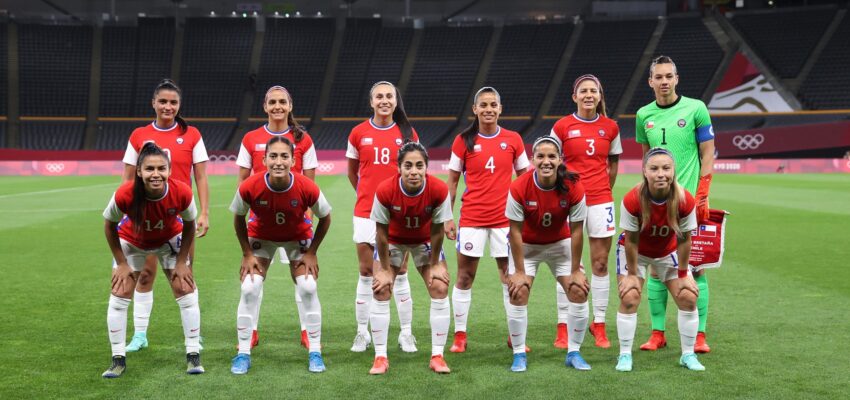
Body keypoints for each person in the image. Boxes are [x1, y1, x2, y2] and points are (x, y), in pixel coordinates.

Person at [229, 136, 332, 374]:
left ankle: (315, 351)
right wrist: (246, 253)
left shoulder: (306, 186)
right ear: (264, 160)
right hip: (261, 237)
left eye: (284, 156)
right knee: (249, 287)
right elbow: (238, 217)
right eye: (273, 156)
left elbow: (326, 217)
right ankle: (243, 353)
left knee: (308, 287)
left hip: (297, 238)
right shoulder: (249, 186)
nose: (278, 161)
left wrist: (312, 252)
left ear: (293, 160)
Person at [121, 79, 210, 353]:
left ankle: (194, 335)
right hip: (145, 216)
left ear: (179, 105)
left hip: (180, 217)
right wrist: (128, 215)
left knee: (184, 274)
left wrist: (204, 212)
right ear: (154, 103)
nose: (168, 106)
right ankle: (140, 335)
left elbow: (202, 176)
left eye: (173, 102)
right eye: (163, 101)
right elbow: (127, 178)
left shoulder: (192, 134)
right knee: (144, 274)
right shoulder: (139, 135)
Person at [635, 56, 715, 353]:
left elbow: (708, 153)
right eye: (659, 76)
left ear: (677, 79)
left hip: (689, 202)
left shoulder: (696, 108)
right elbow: (646, 161)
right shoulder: (644, 115)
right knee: (657, 267)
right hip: (655, 204)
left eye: (669, 76)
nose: (665, 81)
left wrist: (703, 193)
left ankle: (699, 335)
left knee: (696, 266)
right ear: (651, 81)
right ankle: (658, 333)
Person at [102, 143, 202, 378]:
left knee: (184, 288)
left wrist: (181, 261)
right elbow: (109, 225)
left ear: (169, 170)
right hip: (132, 242)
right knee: (120, 292)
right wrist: (122, 263)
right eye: (149, 169)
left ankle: (193, 353)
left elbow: (189, 225)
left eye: (161, 169)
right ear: (139, 171)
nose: (155, 174)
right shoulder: (125, 194)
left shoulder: (182, 192)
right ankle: (117, 358)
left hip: (169, 239)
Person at [444, 87, 529, 353]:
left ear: (500, 109)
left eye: (493, 104)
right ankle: (460, 335)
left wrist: (528, 216)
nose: (489, 109)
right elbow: (453, 180)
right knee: (465, 277)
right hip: (472, 219)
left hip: (505, 222)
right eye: (484, 105)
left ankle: (515, 336)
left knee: (509, 276)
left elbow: (526, 179)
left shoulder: (514, 139)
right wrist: (448, 216)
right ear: (475, 109)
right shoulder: (463, 140)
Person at [235, 85, 319, 349]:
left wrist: (306, 219)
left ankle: (307, 330)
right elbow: (243, 181)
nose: (277, 107)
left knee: (302, 279)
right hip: (262, 221)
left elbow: (310, 183)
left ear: (290, 106)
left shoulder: (303, 139)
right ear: (265, 106)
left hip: (295, 221)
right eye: (273, 102)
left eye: (282, 102)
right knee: (254, 278)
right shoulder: (251, 138)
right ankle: (252, 330)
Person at [614, 147, 705, 372]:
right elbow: (631, 241)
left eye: (666, 168)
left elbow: (684, 239)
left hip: (668, 251)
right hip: (636, 252)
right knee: (630, 296)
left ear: (673, 171)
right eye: (654, 169)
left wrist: (684, 274)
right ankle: (624, 355)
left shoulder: (685, 199)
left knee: (688, 296)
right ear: (644, 171)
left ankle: (688, 354)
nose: (661, 174)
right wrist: (632, 275)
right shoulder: (632, 199)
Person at [504, 136, 590, 372]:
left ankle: (574, 352)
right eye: (540, 156)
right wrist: (520, 271)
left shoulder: (573, 186)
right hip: (527, 247)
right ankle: (519, 354)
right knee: (518, 291)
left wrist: (575, 271)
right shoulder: (519, 186)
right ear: (532, 159)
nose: (546, 161)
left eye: (552, 156)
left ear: (560, 159)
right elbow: (515, 232)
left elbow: (577, 231)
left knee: (578, 290)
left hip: (559, 245)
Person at [346, 81, 420, 353]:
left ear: (396, 101)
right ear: (371, 101)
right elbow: (353, 173)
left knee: (400, 272)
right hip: (366, 212)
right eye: (379, 96)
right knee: (367, 272)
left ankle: (406, 333)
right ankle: (362, 333)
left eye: (389, 96)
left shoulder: (408, 132)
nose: (385, 100)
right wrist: (369, 197)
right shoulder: (358, 132)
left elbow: (415, 172)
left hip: (399, 213)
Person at [368, 142, 453, 374]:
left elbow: (437, 230)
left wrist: (435, 264)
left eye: (419, 166)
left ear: (427, 167)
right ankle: (380, 357)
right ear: (399, 168)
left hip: (424, 240)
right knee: (381, 289)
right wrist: (385, 269)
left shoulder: (438, 190)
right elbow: (381, 233)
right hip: (393, 240)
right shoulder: (385, 190)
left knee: (439, 286)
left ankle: (437, 355)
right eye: (408, 166)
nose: (413, 171)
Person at [550, 74, 621, 349]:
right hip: (568, 202)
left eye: (594, 91)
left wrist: (604, 189)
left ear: (600, 96)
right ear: (574, 96)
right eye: (584, 91)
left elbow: (613, 165)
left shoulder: (610, 127)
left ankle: (599, 323)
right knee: (568, 264)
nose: (589, 95)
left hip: (601, 201)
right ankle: (564, 326)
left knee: (600, 264)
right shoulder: (562, 126)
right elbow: (551, 160)